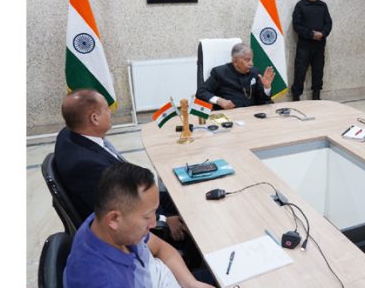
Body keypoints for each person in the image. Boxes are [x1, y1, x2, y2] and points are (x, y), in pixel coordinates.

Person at [54, 89, 189, 242]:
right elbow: (119, 214)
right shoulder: (87, 166)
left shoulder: (68, 134)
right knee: (192, 212)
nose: (110, 113)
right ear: (94, 118)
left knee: (183, 195)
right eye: (106, 109)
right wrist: (164, 220)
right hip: (139, 224)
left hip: (134, 195)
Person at [64, 163, 215, 288]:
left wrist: (191, 284)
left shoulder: (106, 224)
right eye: (147, 216)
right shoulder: (103, 280)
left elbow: (161, 248)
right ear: (114, 219)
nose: (154, 224)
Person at [196, 43, 275, 109]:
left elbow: (262, 99)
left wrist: (267, 88)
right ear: (235, 61)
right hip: (230, 115)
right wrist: (219, 100)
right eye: (247, 60)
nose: (251, 64)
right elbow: (201, 92)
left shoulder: (255, 72)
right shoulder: (220, 72)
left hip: (252, 114)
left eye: (252, 59)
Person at [291, 0, 332, 101]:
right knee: (300, 71)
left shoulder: (323, 6)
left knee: (318, 71)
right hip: (305, 45)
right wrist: (311, 34)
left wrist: (323, 33)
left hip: (319, 46)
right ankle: (296, 97)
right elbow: (296, 25)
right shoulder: (300, 6)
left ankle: (316, 96)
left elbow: (329, 23)